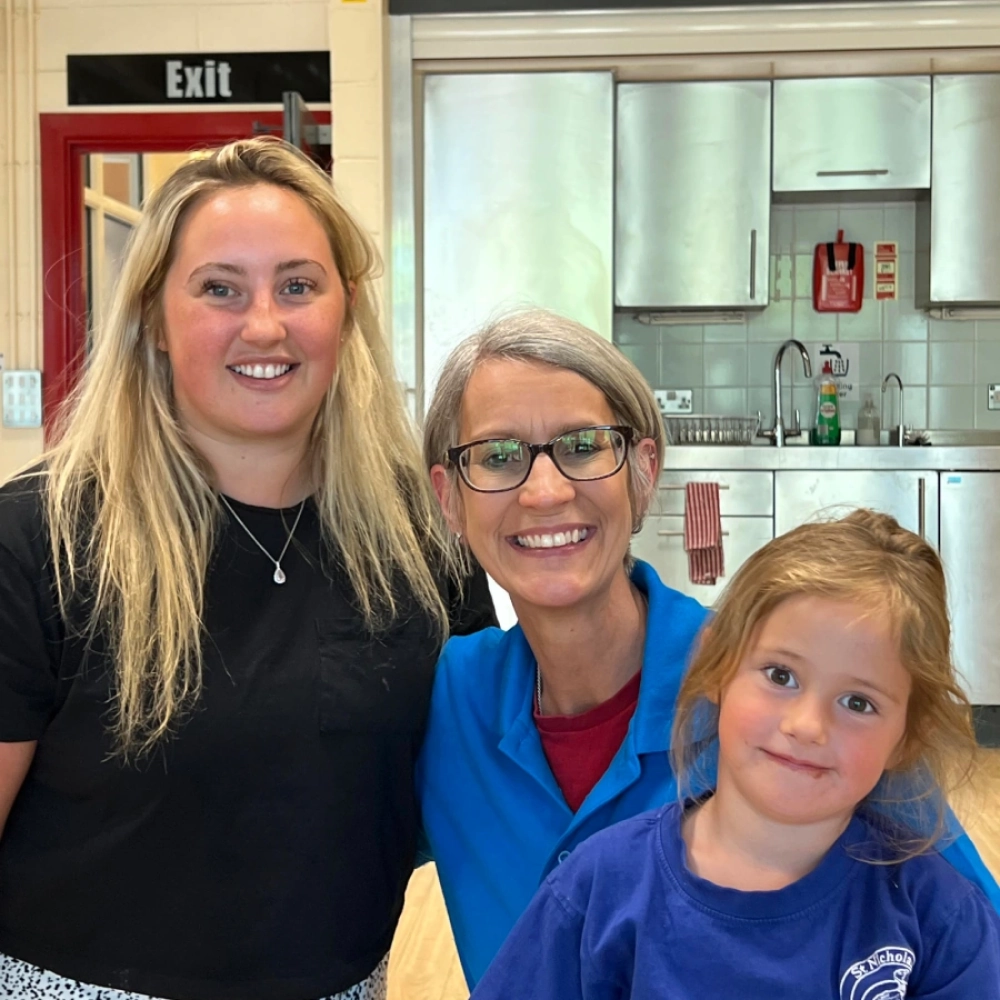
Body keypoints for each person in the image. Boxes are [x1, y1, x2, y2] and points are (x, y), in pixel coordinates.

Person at [0, 137, 494, 1000]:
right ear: (154, 315)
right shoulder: (42, 539)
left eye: (298, 286)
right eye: (220, 288)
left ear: (345, 310)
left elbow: (485, 786)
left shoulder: (418, 541)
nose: (264, 325)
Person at [416, 309, 1000, 990]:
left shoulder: (781, 693)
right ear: (448, 499)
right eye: (498, 456)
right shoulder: (448, 701)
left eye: (582, 445)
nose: (546, 491)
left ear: (643, 471)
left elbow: (967, 941)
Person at [471, 510, 1000, 999]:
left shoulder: (937, 918)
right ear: (719, 669)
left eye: (858, 702)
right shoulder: (598, 891)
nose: (807, 726)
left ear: (906, 736)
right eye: (781, 676)